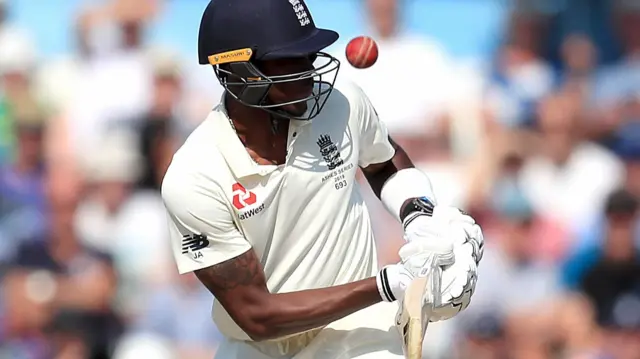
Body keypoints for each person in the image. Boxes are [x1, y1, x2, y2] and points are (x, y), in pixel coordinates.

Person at [160, 0, 484, 358]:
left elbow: (383, 162)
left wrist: (420, 216)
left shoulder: (341, 102)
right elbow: (255, 315)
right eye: (288, 60)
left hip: (358, 330)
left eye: (309, 55)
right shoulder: (195, 175)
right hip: (259, 347)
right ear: (238, 69)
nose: (309, 73)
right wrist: (391, 284)